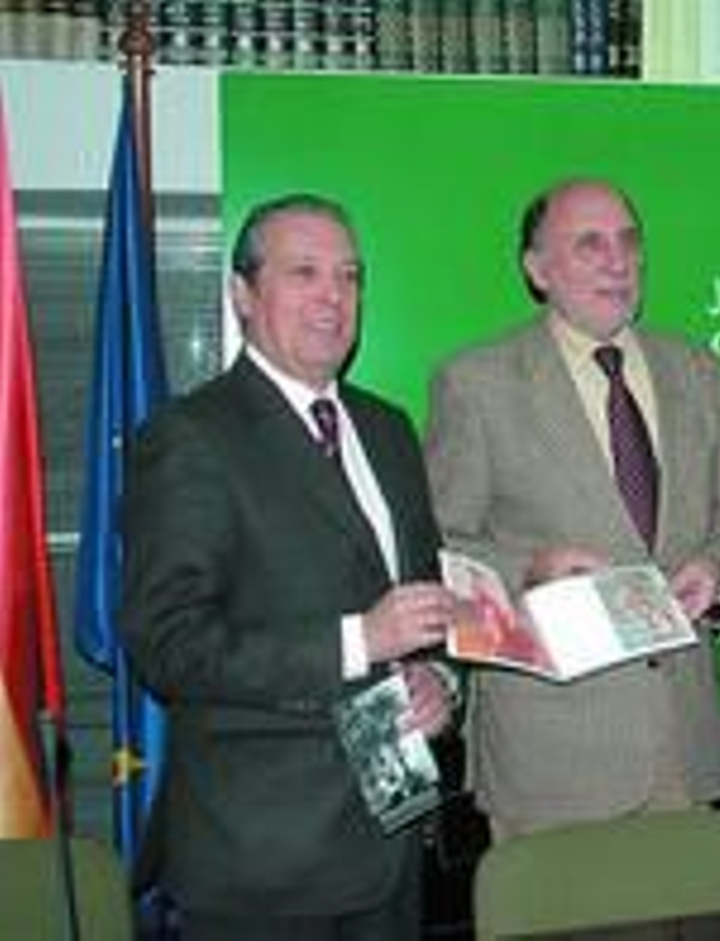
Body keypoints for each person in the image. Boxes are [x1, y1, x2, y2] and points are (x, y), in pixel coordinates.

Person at [119, 194, 460, 939]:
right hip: (263, 865)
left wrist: (439, 679)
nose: (333, 296)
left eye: (349, 275)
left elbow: (424, 601)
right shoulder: (190, 438)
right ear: (243, 294)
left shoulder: (388, 428)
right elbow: (167, 642)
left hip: (395, 833)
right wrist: (359, 640)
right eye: (304, 272)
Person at [424, 179, 720, 837]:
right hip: (551, 759)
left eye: (628, 241)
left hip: (685, 742)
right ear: (537, 269)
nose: (618, 261)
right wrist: (532, 569)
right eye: (589, 244)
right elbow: (439, 545)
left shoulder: (698, 370)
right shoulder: (476, 383)